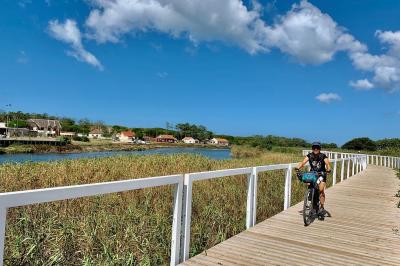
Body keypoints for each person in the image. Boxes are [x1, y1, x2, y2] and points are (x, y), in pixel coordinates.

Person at [296, 142, 331, 220]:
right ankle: (312, 201)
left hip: (321, 174)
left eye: (317, 148)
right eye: (314, 148)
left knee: (321, 190)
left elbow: (327, 164)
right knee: (311, 188)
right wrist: (297, 168)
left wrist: (328, 169)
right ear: (312, 148)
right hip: (313, 175)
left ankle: (321, 207)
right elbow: (303, 162)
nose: (315, 149)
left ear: (319, 149)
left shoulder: (323, 156)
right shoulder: (310, 155)